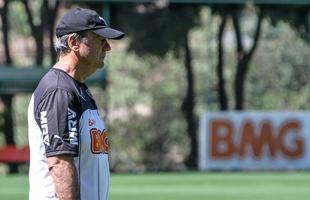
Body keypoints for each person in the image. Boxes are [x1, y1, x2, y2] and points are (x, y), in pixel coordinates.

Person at [27, 7, 124, 200]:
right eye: (99, 39)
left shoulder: (76, 88)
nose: (108, 47)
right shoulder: (59, 91)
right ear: (73, 43)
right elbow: (60, 164)